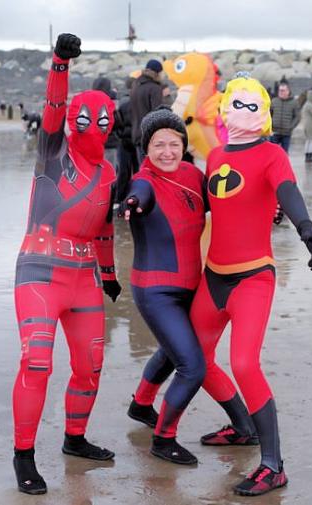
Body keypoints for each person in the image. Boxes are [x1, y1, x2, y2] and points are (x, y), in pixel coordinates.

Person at [184, 75, 312, 496]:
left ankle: (273, 465)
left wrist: (306, 228)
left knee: (245, 364)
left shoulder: (271, 153)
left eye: (252, 105)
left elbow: (287, 191)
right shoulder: (215, 156)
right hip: (213, 277)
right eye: (237, 103)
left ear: (263, 113)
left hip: (253, 277)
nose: (243, 112)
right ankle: (242, 427)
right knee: (194, 359)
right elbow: (208, 206)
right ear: (224, 108)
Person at [11, 33, 121, 496]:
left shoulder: (110, 172)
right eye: (86, 119)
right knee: (37, 362)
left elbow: (104, 228)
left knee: (90, 364)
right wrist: (60, 62)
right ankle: (24, 455)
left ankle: (75, 438)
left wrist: (109, 274)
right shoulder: (53, 152)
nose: (93, 127)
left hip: (84, 277)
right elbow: (53, 107)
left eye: (102, 120)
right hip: (39, 271)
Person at [123, 108, 207, 465]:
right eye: (159, 145)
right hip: (156, 290)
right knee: (193, 367)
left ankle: (142, 404)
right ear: (146, 148)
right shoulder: (143, 181)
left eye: (174, 144)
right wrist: (132, 203)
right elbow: (138, 193)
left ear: (184, 145)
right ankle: (163, 439)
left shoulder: (193, 174)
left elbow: (227, 202)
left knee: (172, 351)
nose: (167, 152)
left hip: (192, 285)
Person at [130, 59, 164, 159]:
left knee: (142, 167)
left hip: (136, 133)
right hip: (150, 136)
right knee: (152, 167)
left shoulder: (136, 86)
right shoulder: (154, 88)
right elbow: (157, 114)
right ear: (157, 72)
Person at [92, 77, 120, 169]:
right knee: (109, 170)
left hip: (93, 144)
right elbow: (117, 123)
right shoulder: (108, 104)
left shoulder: (88, 103)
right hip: (108, 142)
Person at [269, 82, 300, 153]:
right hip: (274, 132)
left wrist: (291, 126)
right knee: (272, 153)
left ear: (288, 91)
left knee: (284, 153)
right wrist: (271, 125)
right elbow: (269, 114)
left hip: (286, 133)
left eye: (283, 90)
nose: (280, 92)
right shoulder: (274, 101)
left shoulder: (294, 102)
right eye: (279, 90)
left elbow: (297, 117)